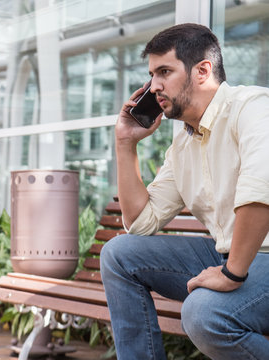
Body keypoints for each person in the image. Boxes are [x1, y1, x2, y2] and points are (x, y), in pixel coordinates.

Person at [100, 23, 269, 360]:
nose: (154, 86)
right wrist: (125, 144)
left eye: (164, 72)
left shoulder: (254, 108)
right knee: (119, 254)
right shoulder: (184, 142)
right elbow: (141, 224)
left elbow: (261, 192)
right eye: (151, 74)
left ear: (202, 71)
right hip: (228, 255)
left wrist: (232, 273)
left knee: (205, 313)